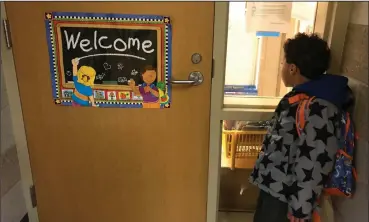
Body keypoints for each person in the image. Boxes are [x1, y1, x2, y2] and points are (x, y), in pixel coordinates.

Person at [249, 33, 353, 222]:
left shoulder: (319, 108)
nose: (281, 67)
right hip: (274, 188)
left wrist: (300, 208)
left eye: (283, 63)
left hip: (286, 198)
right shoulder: (300, 98)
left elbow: (314, 161)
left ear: (292, 68)